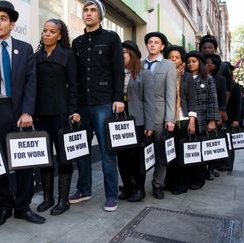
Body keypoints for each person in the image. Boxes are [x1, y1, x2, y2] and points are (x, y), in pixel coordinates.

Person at [0, 0, 45, 227]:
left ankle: (22, 207)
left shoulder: (25, 48)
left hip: (20, 110)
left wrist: (27, 111)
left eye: (3, 19)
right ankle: (4, 207)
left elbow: (31, 82)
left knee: (24, 160)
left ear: (12, 24)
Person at [69, 0, 125, 212]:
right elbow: (74, 78)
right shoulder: (77, 42)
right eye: (86, 10)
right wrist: (73, 107)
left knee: (106, 151)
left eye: (93, 10)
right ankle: (84, 189)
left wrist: (118, 98)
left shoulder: (111, 38)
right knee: (81, 150)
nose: (89, 13)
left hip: (104, 103)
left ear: (100, 15)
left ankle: (111, 195)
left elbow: (118, 71)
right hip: (82, 104)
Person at [34, 19, 80, 215]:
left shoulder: (68, 55)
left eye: (52, 32)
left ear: (59, 36)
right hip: (41, 115)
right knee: (45, 158)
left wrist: (74, 111)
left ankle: (63, 200)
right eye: (45, 30)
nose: (47, 34)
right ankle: (47, 198)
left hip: (62, 114)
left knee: (63, 157)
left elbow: (74, 86)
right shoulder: (36, 57)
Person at [116, 41, 155, 202]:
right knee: (122, 157)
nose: (120, 55)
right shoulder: (116, 73)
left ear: (132, 55)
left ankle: (139, 189)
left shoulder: (144, 74)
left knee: (136, 157)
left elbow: (149, 101)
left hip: (137, 121)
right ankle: (127, 187)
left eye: (123, 52)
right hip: (118, 121)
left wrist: (149, 125)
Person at [143, 32, 176, 199]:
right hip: (141, 116)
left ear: (162, 46)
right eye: (150, 42)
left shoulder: (169, 65)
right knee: (141, 152)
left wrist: (170, 118)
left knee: (160, 152)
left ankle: (157, 184)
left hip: (160, 115)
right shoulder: (139, 64)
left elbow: (171, 94)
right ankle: (137, 184)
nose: (153, 45)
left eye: (156, 42)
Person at [163, 45, 197, 195]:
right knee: (169, 153)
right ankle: (168, 182)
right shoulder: (164, 74)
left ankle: (180, 185)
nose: (173, 60)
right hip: (167, 120)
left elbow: (192, 99)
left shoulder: (187, 76)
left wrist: (191, 121)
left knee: (181, 153)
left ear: (181, 60)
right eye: (170, 57)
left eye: (176, 57)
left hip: (182, 120)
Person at [185, 51, 218, 190]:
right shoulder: (184, 78)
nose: (191, 64)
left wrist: (212, 120)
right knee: (189, 149)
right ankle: (188, 178)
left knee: (199, 149)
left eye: (194, 61)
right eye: (189, 62)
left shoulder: (207, 78)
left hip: (203, 120)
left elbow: (213, 101)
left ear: (200, 63)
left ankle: (199, 179)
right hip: (187, 119)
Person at [204, 53, 227, 180]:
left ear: (215, 66)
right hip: (202, 113)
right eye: (206, 63)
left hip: (215, 113)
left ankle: (212, 168)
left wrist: (219, 114)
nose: (208, 65)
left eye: (210, 63)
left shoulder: (220, 79)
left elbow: (222, 99)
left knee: (213, 142)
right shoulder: (200, 77)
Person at [222, 62, 241, 171]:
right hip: (220, 118)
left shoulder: (234, 85)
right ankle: (220, 164)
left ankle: (228, 165)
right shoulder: (219, 82)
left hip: (231, 118)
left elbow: (237, 104)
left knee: (229, 142)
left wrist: (236, 120)